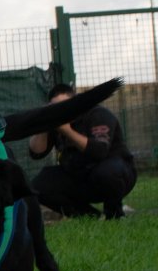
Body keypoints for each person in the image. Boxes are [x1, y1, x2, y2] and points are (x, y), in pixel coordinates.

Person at [28, 83, 137, 219]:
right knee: (39, 185)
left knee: (107, 171)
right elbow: (36, 153)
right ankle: (91, 217)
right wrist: (44, 123)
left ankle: (115, 214)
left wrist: (67, 131)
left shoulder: (98, 114)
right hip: (80, 175)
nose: (62, 111)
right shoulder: (56, 121)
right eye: (56, 107)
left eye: (66, 105)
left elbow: (99, 152)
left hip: (115, 175)